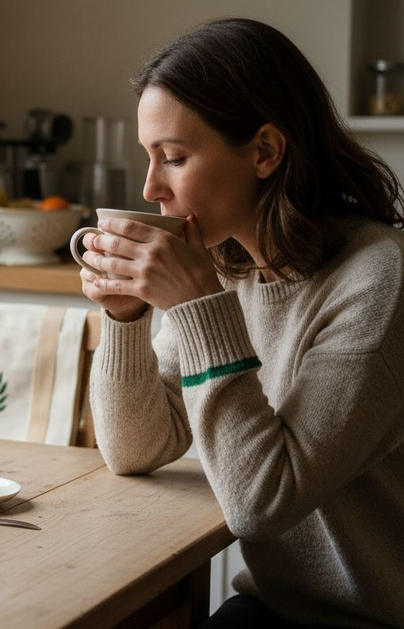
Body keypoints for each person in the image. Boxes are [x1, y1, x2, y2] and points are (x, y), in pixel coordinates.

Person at [78, 18, 404, 628]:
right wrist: (126, 318)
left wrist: (199, 308)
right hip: (273, 608)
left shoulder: (380, 283)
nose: (152, 188)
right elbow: (135, 449)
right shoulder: (229, 268)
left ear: (264, 151)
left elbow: (262, 502)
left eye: (173, 158)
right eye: (149, 158)